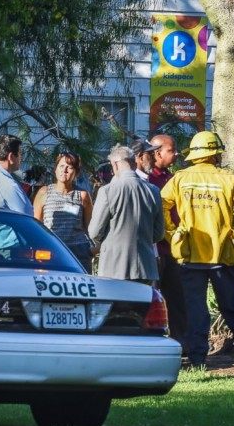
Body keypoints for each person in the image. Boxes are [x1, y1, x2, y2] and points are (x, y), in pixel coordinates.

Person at [161, 131, 234, 367]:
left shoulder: (179, 179)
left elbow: (161, 205)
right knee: (231, 303)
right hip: (221, 255)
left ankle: (197, 358)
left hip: (189, 254)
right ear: (215, 154)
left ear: (194, 155)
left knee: (195, 308)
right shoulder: (228, 179)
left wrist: (172, 233)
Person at [88, 145, 164, 283]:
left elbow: (94, 232)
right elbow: (159, 233)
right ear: (134, 163)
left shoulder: (107, 191)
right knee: (142, 304)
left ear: (115, 165)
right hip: (145, 267)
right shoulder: (153, 191)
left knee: (116, 305)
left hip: (114, 267)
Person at [148, 134, 187, 347]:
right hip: (155, 249)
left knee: (178, 299)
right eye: (172, 150)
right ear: (157, 152)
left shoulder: (173, 178)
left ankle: (181, 343)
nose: (176, 153)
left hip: (175, 250)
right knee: (154, 298)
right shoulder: (147, 181)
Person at [33, 152, 95, 272]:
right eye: (61, 166)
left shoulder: (82, 195)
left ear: (76, 172)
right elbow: (36, 226)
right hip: (51, 250)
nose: (64, 170)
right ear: (55, 169)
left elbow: (90, 228)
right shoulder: (44, 192)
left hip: (78, 253)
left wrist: (93, 249)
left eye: (69, 167)